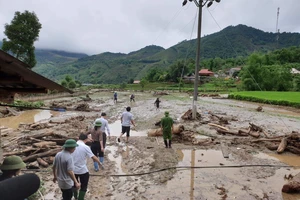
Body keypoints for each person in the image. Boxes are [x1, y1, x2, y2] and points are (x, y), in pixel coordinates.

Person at [72, 133, 102, 200]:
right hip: (82, 170)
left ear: (78, 138)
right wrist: (99, 163)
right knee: (83, 186)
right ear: (86, 139)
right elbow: (93, 157)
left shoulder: (72, 146)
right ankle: (80, 198)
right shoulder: (86, 147)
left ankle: (75, 197)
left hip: (73, 170)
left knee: (74, 185)